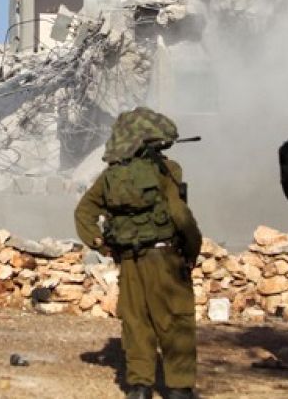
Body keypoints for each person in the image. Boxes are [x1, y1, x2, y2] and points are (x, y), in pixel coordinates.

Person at [74, 107, 202, 399]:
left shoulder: (111, 176)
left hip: (130, 260)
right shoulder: (168, 170)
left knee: (136, 322)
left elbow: (84, 212)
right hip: (166, 257)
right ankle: (179, 388)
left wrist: (101, 245)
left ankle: (140, 386)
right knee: (175, 320)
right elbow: (180, 215)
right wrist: (193, 248)